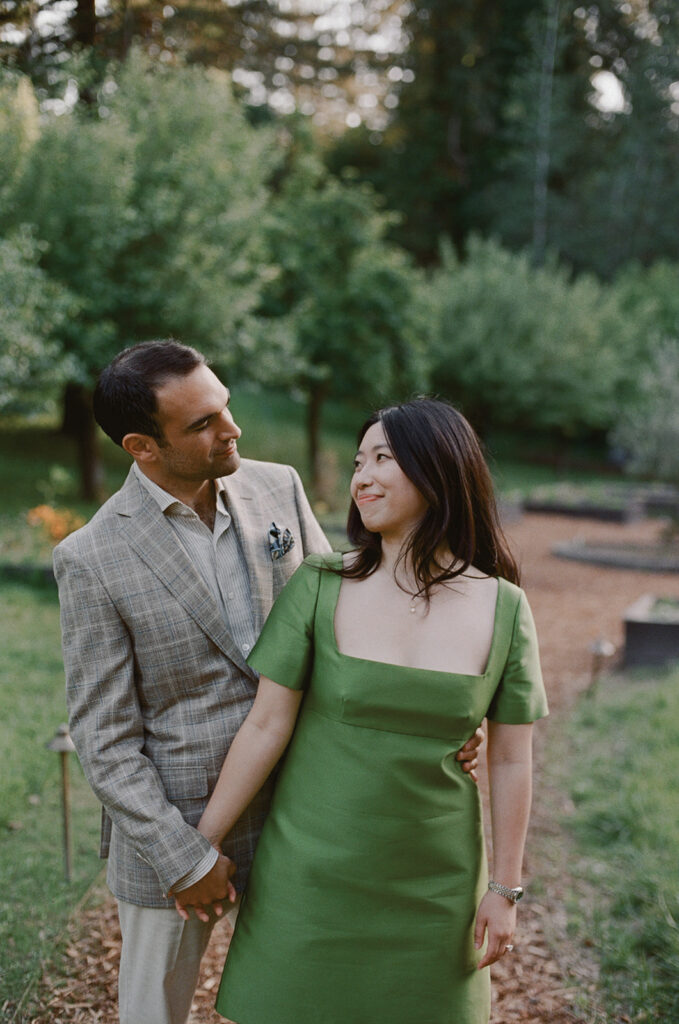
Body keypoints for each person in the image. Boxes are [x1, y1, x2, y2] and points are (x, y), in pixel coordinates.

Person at [53, 342, 483, 1024]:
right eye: (201, 424)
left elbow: (350, 620)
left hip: (306, 810)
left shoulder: (276, 486)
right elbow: (103, 737)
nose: (232, 430)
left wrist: (441, 713)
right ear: (142, 446)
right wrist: (185, 858)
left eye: (223, 405)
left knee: (309, 1001)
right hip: (180, 826)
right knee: (151, 1012)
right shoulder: (90, 559)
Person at [186, 397, 549, 1024]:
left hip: (436, 884)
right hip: (309, 875)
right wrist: (202, 844)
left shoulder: (506, 608)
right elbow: (266, 725)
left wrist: (505, 891)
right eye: (359, 461)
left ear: (438, 469)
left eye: (383, 458)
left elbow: (513, 758)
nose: (362, 477)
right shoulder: (321, 583)